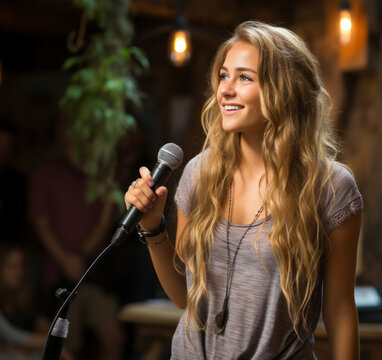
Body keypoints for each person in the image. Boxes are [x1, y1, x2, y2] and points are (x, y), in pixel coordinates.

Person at [125, 21, 363, 359]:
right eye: (224, 76)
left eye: (245, 78)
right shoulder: (199, 173)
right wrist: (152, 226)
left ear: (285, 90)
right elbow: (185, 297)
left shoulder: (330, 188)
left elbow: (340, 312)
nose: (225, 90)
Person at [28, 117, 124, 359]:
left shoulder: (101, 175)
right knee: (67, 346)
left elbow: (106, 220)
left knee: (113, 338)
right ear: (59, 131)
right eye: (68, 126)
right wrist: (66, 260)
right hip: (60, 277)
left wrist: (81, 258)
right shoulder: (46, 173)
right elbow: (41, 223)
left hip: (93, 273)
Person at [0, 242, 73, 360]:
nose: (19, 271)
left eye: (21, 265)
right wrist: (51, 341)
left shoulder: (21, 298)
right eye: (11, 266)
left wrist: (50, 334)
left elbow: (40, 322)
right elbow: (11, 335)